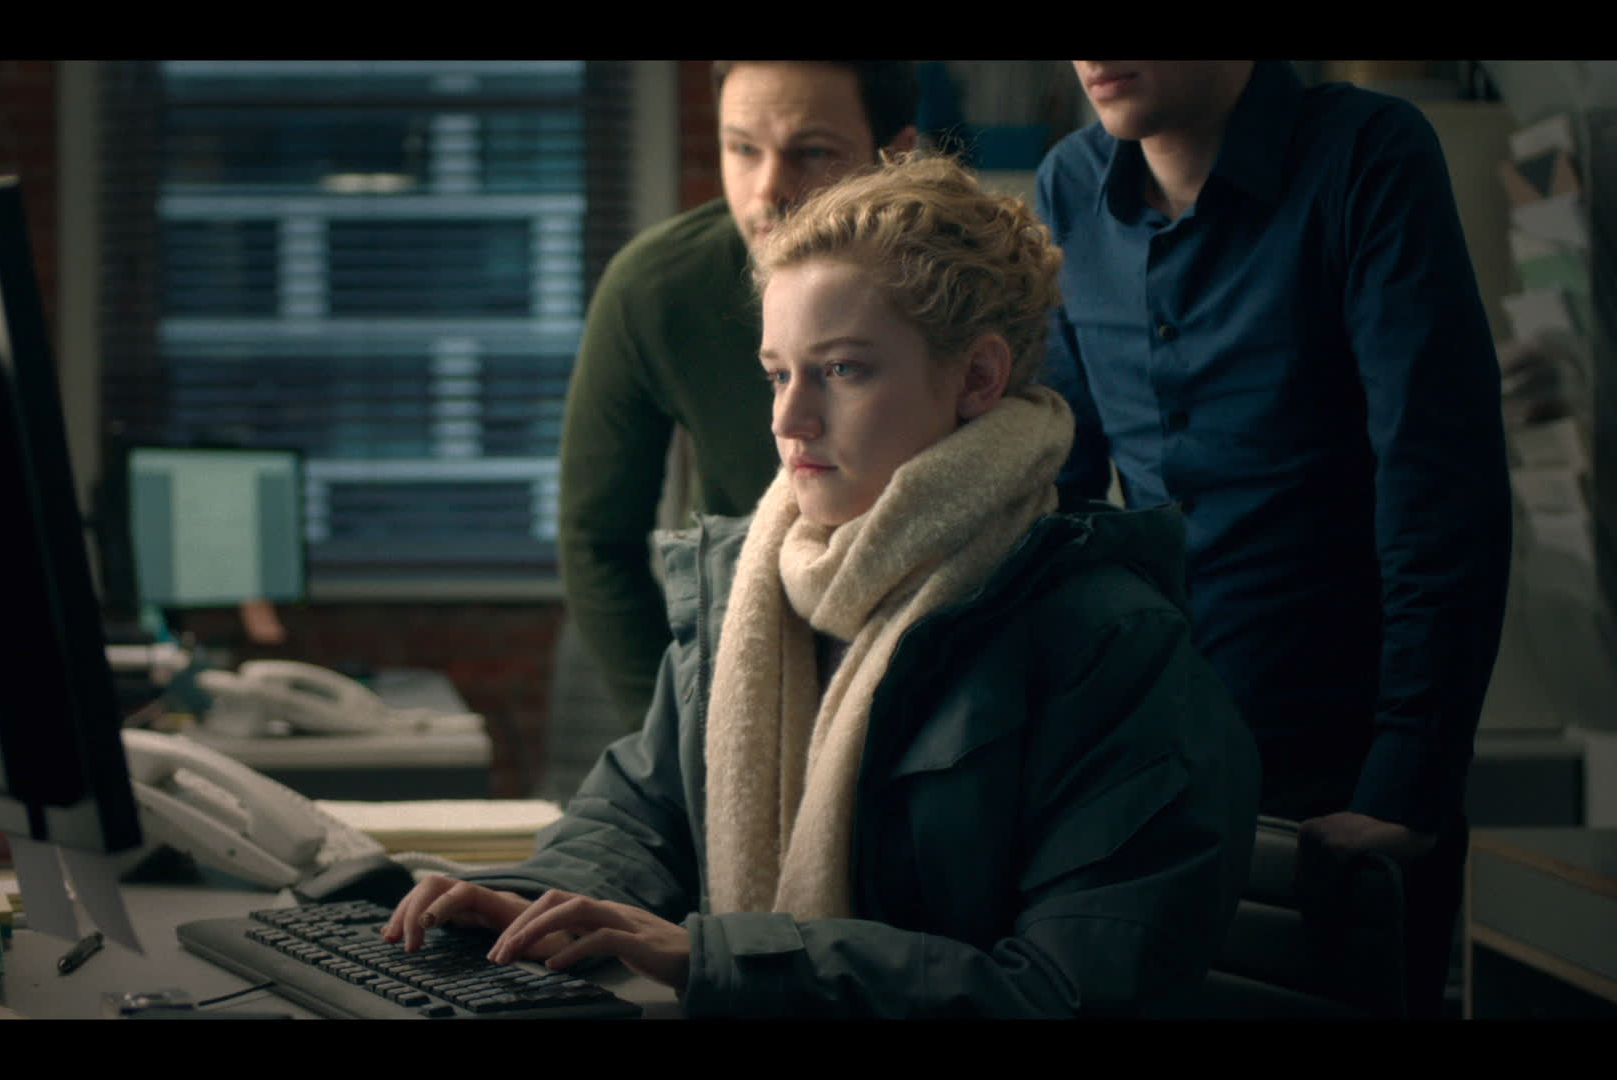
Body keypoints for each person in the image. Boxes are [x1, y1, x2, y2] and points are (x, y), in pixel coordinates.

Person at [383, 151, 1260, 1018]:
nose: (788, 418)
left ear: (978, 378)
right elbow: (640, 817)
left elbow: (1068, 994)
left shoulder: (1112, 646)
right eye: (778, 373)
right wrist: (528, 899)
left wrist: (721, 961)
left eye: (842, 370)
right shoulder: (749, 589)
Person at [1035, 60, 1512, 1017]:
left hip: (1342, 782)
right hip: (1144, 778)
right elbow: (1060, 495)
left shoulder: (1367, 156)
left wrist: (1407, 782)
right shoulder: (1068, 185)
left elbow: (1438, 480)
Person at [557, 61, 920, 731]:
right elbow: (596, 539)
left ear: (893, 156)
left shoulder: (956, 285)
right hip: (745, 650)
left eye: (813, 153)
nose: (768, 189)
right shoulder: (659, 290)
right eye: (743, 149)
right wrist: (675, 736)